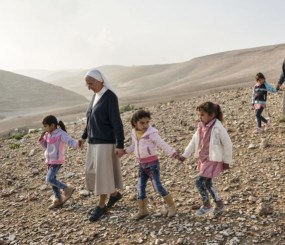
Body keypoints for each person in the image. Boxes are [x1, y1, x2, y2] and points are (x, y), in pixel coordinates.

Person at [81, 69, 125, 222]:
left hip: (105, 143)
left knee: (102, 175)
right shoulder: (94, 97)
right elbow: (90, 119)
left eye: (90, 83)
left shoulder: (110, 97)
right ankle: (114, 195)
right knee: (91, 171)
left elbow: (116, 122)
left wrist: (120, 144)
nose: (88, 87)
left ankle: (101, 206)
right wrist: (83, 136)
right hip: (93, 142)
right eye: (87, 84)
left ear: (100, 81)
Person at [124, 110, 181, 220]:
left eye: (147, 122)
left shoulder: (152, 134)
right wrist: (125, 151)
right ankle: (143, 210)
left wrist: (174, 153)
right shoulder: (134, 132)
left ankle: (171, 206)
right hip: (141, 164)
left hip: (153, 164)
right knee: (140, 187)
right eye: (142, 123)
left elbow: (162, 144)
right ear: (135, 123)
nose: (145, 125)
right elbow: (133, 145)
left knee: (157, 186)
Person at [181, 102, 232, 217]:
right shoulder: (201, 126)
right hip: (203, 159)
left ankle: (207, 205)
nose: (200, 117)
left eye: (202, 114)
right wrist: (184, 155)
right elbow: (193, 141)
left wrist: (227, 161)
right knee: (208, 183)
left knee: (199, 182)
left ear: (212, 115)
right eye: (200, 115)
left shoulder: (218, 128)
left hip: (213, 160)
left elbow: (228, 144)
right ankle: (219, 205)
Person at [38, 115, 82, 209]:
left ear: (52, 125)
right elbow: (47, 147)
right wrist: (42, 140)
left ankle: (67, 189)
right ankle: (58, 199)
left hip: (56, 160)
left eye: (45, 126)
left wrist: (78, 143)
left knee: (49, 179)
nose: (44, 128)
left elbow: (70, 141)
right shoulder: (48, 134)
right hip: (49, 160)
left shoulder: (61, 134)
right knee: (52, 180)